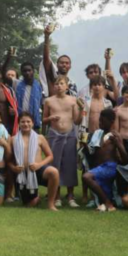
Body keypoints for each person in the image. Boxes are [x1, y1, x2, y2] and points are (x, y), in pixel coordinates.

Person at [42, 76, 82, 207]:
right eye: (57, 84)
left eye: (62, 83)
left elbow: (77, 121)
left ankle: (71, 196)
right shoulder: (49, 101)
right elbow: (44, 120)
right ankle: (57, 196)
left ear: (67, 86)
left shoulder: (73, 100)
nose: (59, 86)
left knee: (70, 164)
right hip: (54, 134)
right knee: (55, 164)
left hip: (70, 133)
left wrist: (81, 110)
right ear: (54, 86)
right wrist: (50, 118)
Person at [8, 112, 60, 210]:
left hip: (38, 169)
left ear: (32, 123)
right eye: (23, 122)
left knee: (54, 172)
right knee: (29, 204)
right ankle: (36, 198)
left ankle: (51, 204)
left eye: (28, 122)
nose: (26, 124)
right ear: (19, 124)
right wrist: (14, 168)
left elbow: (50, 156)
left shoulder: (40, 138)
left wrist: (39, 165)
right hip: (23, 173)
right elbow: (8, 160)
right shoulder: (13, 139)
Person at [80, 107, 126, 213]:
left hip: (109, 167)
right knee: (103, 193)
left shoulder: (115, 135)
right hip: (98, 168)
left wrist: (118, 144)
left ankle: (107, 203)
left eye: (103, 121)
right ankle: (106, 203)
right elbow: (92, 155)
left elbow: (125, 158)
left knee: (86, 177)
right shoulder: (97, 134)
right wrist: (85, 146)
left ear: (111, 121)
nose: (100, 123)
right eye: (99, 120)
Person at [41, 23, 78, 96]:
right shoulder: (52, 76)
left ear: (70, 66)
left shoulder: (72, 84)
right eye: (62, 63)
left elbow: (74, 100)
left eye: (67, 63)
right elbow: (46, 58)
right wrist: (47, 37)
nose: (64, 65)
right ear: (57, 65)